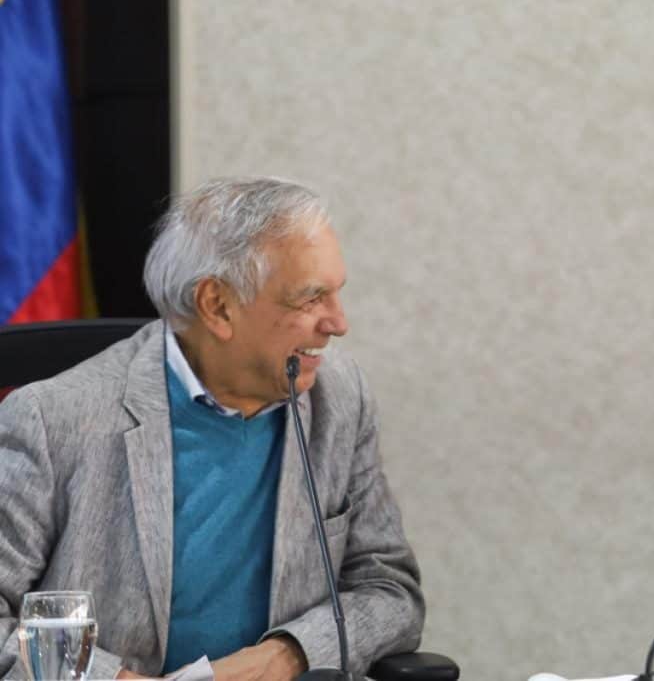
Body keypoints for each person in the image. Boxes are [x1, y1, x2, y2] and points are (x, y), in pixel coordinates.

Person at [0, 177, 424, 679]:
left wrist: (292, 652)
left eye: (337, 294)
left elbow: (390, 589)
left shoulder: (339, 396)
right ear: (218, 306)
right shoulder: (53, 419)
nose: (338, 322)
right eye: (310, 299)